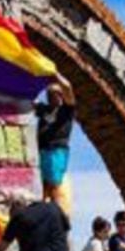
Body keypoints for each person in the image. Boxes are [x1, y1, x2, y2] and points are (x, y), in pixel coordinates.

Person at [34, 74, 76, 205]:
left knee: (54, 184)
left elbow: (68, 87)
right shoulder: (44, 110)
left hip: (56, 151)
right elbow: (30, 100)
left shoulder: (67, 110)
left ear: (61, 95)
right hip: (41, 150)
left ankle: (55, 210)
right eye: (49, 94)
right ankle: (43, 209)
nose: (51, 96)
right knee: (41, 186)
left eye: (54, 93)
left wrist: (55, 75)